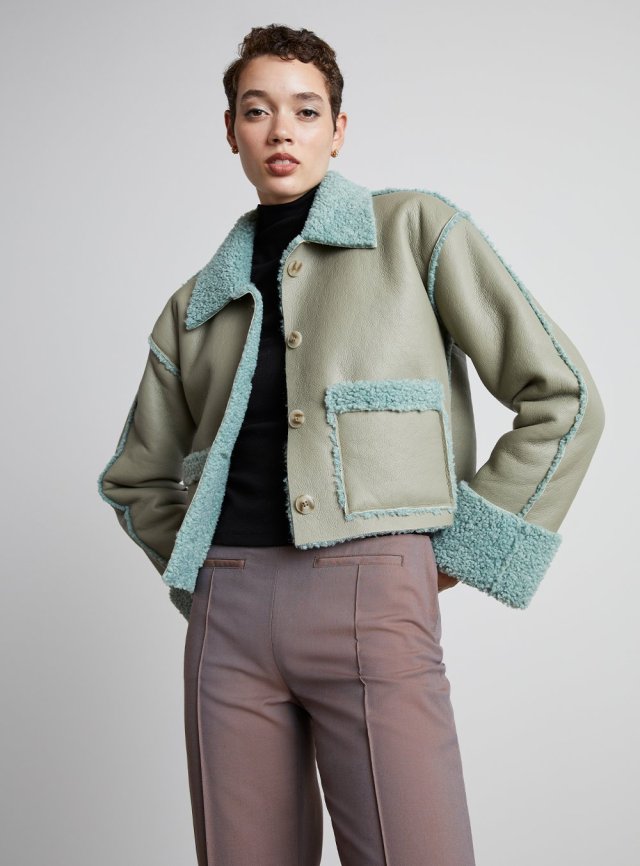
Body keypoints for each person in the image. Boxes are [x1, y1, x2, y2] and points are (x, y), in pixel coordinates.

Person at [97, 23, 605, 866]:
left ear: (339, 129)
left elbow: (564, 396)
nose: (281, 131)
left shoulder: (414, 231)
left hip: (374, 595)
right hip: (229, 620)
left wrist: (456, 548)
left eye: (306, 110)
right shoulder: (194, 305)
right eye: (257, 110)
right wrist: (208, 574)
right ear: (230, 131)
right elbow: (135, 478)